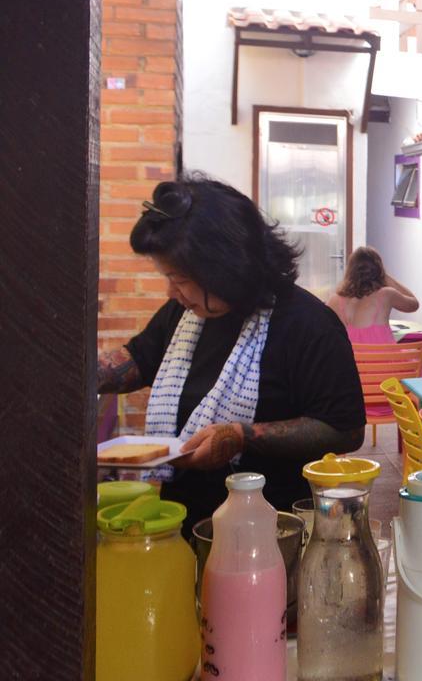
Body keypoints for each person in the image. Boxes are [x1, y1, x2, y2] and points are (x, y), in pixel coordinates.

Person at [97, 176, 366, 528]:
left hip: (274, 523)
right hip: (189, 516)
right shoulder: (184, 314)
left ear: (223, 269)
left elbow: (345, 429)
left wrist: (243, 436)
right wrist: (79, 375)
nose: (171, 292)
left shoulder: (308, 324)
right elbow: (138, 359)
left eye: (178, 280)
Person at [328, 246, 420, 343]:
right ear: (379, 270)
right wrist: (386, 277)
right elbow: (414, 304)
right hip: (383, 357)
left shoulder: (334, 300)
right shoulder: (386, 294)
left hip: (349, 358)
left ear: (350, 270)